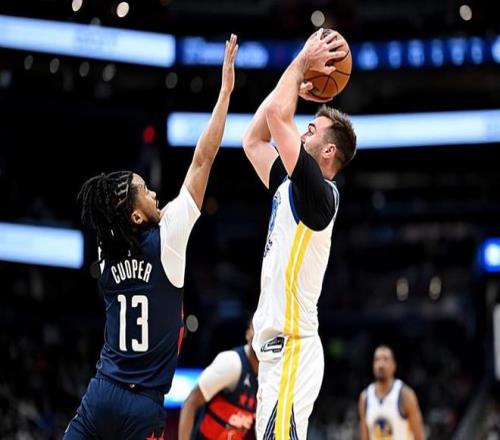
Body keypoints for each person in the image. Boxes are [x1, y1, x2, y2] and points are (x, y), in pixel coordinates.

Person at [64, 34, 239, 440]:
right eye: (146, 190)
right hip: (142, 405)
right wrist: (225, 91)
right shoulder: (169, 238)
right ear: (137, 214)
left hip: (101, 394)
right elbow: (203, 159)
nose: (156, 193)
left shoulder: (107, 248)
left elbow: (110, 214)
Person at [242, 28, 357, 440]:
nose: (303, 131)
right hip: (277, 355)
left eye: (311, 128)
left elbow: (277, 116)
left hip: (292, 348)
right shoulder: (291, 185)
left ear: (329, 151)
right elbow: (253, 139)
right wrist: (294, 80)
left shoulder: (320, 194)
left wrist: (301, 62)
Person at [178, 319, 258, 440]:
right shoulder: (232, 363)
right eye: (257, 328)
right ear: (248, 334)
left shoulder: (270, 374)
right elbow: (191, 402)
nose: (260, 335)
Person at [358, 345, 425, 440]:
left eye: (385, 359)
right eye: (377, 360)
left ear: (394, 365)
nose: (381, 364)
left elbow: (420, 437)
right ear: (373, 365)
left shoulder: (405, 395)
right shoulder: (365, 398)